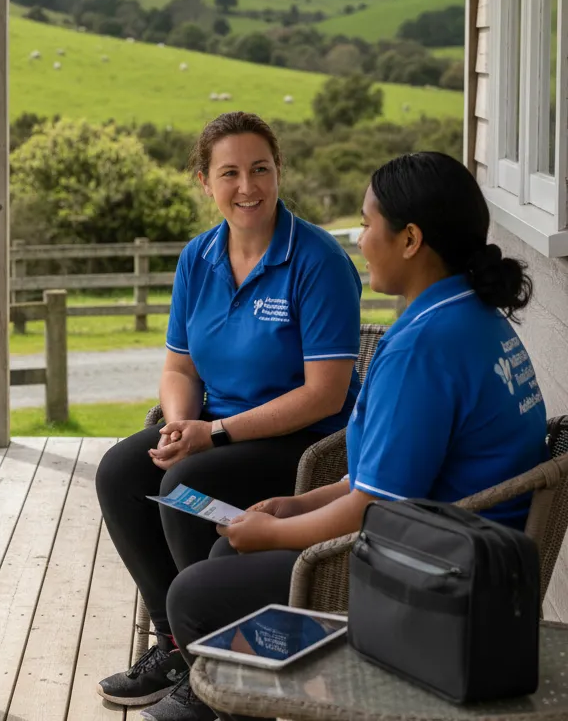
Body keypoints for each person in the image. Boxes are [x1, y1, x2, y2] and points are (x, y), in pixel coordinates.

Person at [163, 151, 548, 721]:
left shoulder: (423, 347)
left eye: (368, 224)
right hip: (461, 547)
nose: (361, 238)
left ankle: (248, 704)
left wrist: (276, 533)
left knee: (195, 596)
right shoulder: (470, 315)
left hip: (437, 580)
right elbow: (377, 479)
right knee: (225, 554)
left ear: (410, 239)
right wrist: (296, 505)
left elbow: (376, 506)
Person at [94, 111, 364, 719]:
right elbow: (179, 368)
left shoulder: (316, 260)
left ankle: (215, 667)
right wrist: (178, 426)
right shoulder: (200, 257)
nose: (249, 187)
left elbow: (324, 394)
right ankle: (175, 644)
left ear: (278, 171)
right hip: (215, 428)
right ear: (205, 182)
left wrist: (210, 435)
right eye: (231, 173)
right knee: (121, 472)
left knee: (187, 483)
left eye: (261, 169)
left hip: (306, 445)